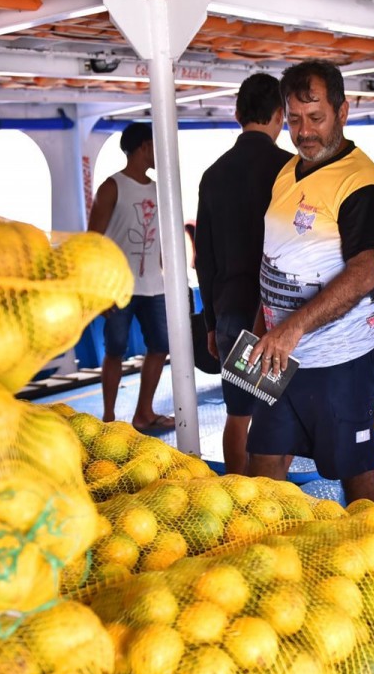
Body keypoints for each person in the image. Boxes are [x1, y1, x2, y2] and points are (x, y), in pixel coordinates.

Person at [246, 60, 374, 505]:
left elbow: (363, 273)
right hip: (280, 356)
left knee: (355, 471)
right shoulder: (287, 171)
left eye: (316, 118)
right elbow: (275, 258)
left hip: (341, 361)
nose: (303, 131)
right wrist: (263, 328)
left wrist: (292, 328)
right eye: (293, 119)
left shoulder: (361, 182)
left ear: (343, 112)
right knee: (261, 474)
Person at [194, 73, 292, 475]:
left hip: (231, 309)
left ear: (236, 113)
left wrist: (211, 323)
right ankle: (273, 498)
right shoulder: (290, 170)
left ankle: (236, 495)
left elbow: (205, 258)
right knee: (279, 410)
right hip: (280, 314)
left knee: (238, 413)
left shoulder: (214, 175)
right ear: (280, 115)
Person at [88, 122, 174, 433]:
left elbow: (163, 239)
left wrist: (172, 278)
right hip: (118, 288)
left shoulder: (157, 188)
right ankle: (109, 418)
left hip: (154, 285)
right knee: (115, 350)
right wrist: (99, 290)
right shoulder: (112, 187)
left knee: (160, 346)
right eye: (155, 145)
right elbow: (93, 241)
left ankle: (143, 413)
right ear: (143, 148)